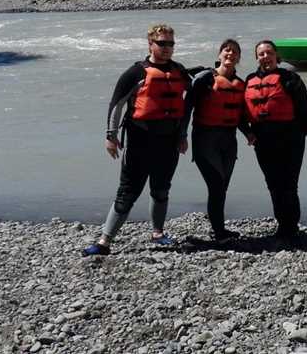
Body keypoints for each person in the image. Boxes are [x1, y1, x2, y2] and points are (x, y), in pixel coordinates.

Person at [82, 24, 189, 256]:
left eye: (171, 44)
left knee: (161, 189)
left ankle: (158, 233)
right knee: (128, 192)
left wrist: (183, 135)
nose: (167, 48)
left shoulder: (180, 71)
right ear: (150, 43)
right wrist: (111, 136)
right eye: (162, 43)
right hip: (140, 141)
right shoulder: (136, 72)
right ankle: (104, 242)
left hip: (169, 142)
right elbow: (116, 104)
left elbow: (187, 104)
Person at [245, 40, 307, 244]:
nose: (265, 57)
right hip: (263, 143)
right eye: (261, 54)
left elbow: (305, 112)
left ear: (276, 56)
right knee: (273, 185)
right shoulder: (249, 80)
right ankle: (282, 225)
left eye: (269, 53)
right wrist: (247, 132)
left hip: (291, 141)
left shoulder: (290, 78)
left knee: (289, 185)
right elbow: (243, 113)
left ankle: (291, 227)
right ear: (256, 57)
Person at [181, 39, 254, 242]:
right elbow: (187, 107)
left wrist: (247, 133)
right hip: (205, 138)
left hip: (229, 141)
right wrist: (182, 136)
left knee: (222, 186)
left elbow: (238, 115)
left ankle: (219, 228)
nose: (230, 54)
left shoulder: (240, 84)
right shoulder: (206, 78)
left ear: (239, 57)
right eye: (226, 50)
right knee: (216, 184)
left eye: (234, 52)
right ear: (219, 55)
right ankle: (219, 233)